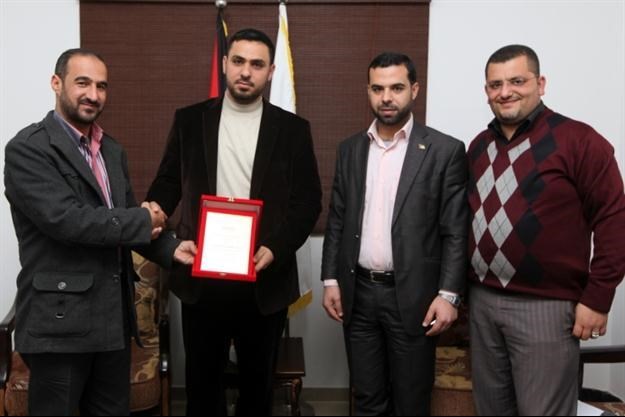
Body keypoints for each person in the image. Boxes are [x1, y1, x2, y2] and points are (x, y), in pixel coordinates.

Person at [3, 48, 197, 416]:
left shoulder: (111, 150)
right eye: (83, 83)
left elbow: (124, 224)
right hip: (59, 326)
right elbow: (68, 221)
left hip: (112, 323)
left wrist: (172, 249)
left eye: (102, 86)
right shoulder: (28, 150)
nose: (93, 94)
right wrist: (144, 220)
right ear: (56, 83)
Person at [145, 28, 322, 415]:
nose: (246, 71)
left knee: (257, 393)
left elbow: (308, 203)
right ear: (225, 64)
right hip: (202, 275)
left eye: (257, 64)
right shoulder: (189, 120)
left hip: (264, 277)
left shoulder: (293, 130)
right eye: (238, 61)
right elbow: (168, 182)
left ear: (270, 72)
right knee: (202, 390)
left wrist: (275, 248)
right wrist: (154, 210)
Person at [467, 44, 625, 416]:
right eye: (495, 85)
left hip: (546, 307)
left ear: (540, 84)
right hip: (482, 302)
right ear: (486, 91)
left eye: (517, 81)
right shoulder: (479, 147)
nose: (505, 92)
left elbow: (614, 218)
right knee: (490, 410)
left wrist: (598, 297)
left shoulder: (579, 141)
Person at [321, 52, 469, 416]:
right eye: (378, 89)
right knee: (367, 400)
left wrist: (449, 295)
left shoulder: (444, 151)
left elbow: (455, 230)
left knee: (411, 403)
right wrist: (330, 280)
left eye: (396, 88)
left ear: (414, 90)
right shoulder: (350, 149)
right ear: (368, 91)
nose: (386, 97)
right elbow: (338, 218)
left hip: (414, 298)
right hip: (358, 295)